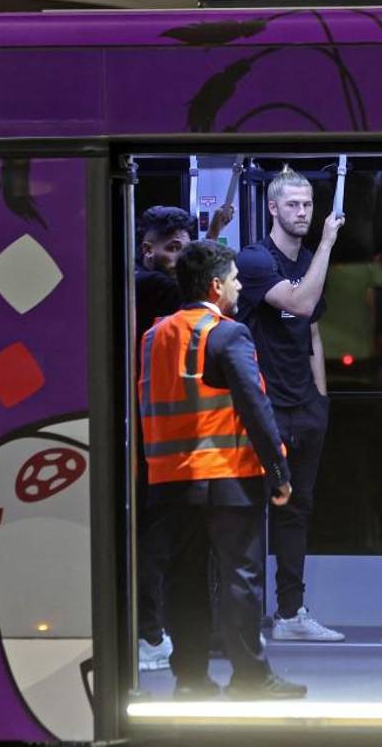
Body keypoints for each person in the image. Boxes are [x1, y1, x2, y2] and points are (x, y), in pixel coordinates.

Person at [138, 240, 305, 699]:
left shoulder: (154, 337)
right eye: (233, 279)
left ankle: (190, 681)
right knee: (240, 577)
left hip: (169, 480)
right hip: (227, 476)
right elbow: (255, 405)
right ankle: (250, 678)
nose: (237, 286)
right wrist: (278, 470)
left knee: (183, 579)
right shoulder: (227, 333)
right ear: (215, 286)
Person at [236, 168, 345, 642]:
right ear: (273, 208)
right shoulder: (256, 259)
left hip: (305, 406)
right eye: (294, 205)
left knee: (296, 509)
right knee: (246, 512)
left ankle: (291, 614)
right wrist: (325, 244)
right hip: (264, 407)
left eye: (308, 205)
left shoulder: (309, 262)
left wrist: (320, 397)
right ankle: (241, 620)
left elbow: (312, 329)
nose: (303, 212)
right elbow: (298, 303)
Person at [134, 204, 232, 671]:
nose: (180, 258)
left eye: (185, 249)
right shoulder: (148, 284)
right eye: (173, 249)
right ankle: (150, 633)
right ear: (146, 250)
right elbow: (193, 291)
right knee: (156, 544)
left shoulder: (151, 283)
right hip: (157, 445)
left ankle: (158, 631)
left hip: (158, 440)